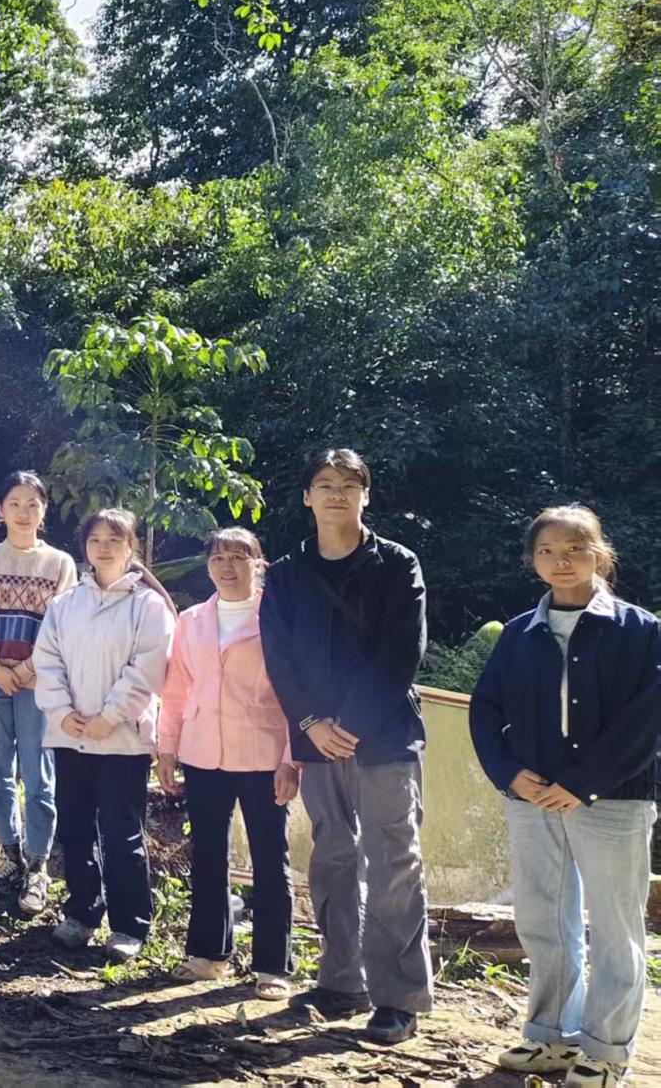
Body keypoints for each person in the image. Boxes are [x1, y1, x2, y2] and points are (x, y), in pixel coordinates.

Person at [468, 506, 661, 1088]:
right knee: (543, 921)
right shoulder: (521, 632)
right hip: (531, 800)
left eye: (576, 548)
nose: (562, 560)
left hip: (612, 800)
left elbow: (646, 723)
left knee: (614, 927)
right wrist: (508, 773)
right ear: (533, 560)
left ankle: (606, 1050)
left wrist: (583, 783)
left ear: (601, 554)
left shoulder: (640, 629)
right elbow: (485, 708)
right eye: (548, 550)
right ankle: (549, 1038)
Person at [259, 448, 432, 1045]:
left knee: (393, 863)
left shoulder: (396, 564)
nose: (336, 494)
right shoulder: (284, 574)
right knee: (332, 855)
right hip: (314, 740)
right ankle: (340, 980)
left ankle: (398, 998)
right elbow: (278, 657)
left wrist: (349, 723)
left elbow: (401, 653)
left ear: (366, 494)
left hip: (383, 736)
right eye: (324, 484)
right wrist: (310, 722)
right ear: (306, 496)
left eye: (349, 484)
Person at [156, 528, 299, 1000]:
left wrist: (290, 760)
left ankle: (273, 965)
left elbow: (295, 695)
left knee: (269, 858)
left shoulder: (280, 618)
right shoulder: (192, 619)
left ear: (260, 565)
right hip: (202, 753)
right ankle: (208, 955)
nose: (228, 565)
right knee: (209, 854)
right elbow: (176, 690)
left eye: (240, 557)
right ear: (208, 565)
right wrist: (167, 748)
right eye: (219, 557)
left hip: (262, 753)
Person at [33, 508, 175, 960]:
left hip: (123, 740)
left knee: (120, 832)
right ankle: (81, 912)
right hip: (69, 734)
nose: (105, 547)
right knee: (74, 828)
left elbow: (148, 669)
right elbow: (47, 660)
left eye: (115, 539)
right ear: (85, 547)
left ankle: (129, 925)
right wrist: (63, 710)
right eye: (96, 539)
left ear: (131, 546)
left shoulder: (147, 606)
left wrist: (109, 717)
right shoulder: (65, 604)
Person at [0, 470, 75, 912]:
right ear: (0, 511)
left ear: (43, 511)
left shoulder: (60, 564)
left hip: (38, 682)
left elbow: (60, 625)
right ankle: (8, 853)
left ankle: (38, 865)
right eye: (15, 503)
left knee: (39, 775)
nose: (24, 512)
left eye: (33, 504)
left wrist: (27, 669)